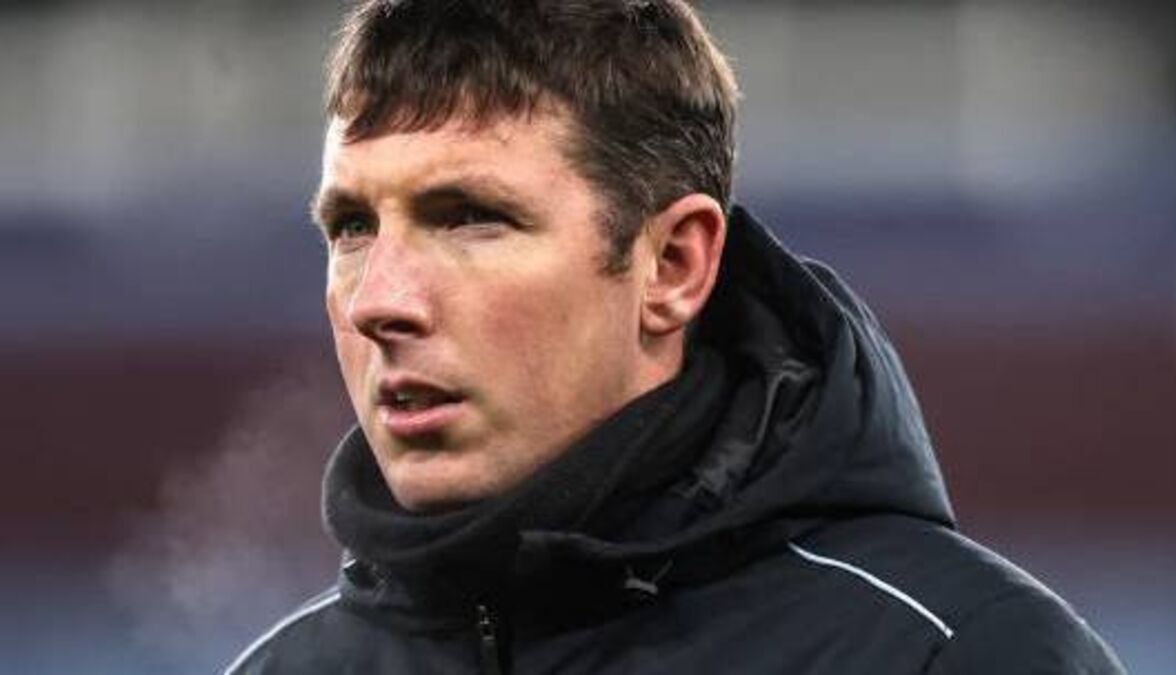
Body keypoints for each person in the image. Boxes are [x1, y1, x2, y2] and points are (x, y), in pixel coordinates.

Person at [227, 1, 1126, 673]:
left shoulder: (958, 654)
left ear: (672, 266)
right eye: (351, 227)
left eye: (469, 217)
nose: (378, 300)